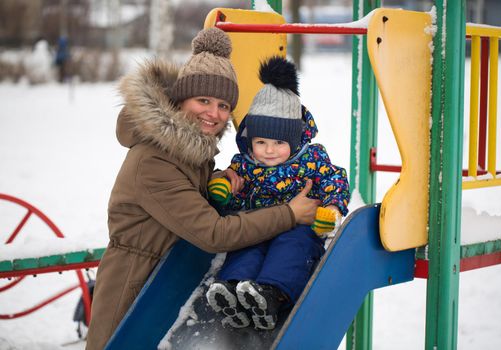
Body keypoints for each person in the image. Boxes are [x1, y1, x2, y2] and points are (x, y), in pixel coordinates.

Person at [85, 28, 319, 350]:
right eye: (204, 100)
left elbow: (188, 209)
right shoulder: (154, 160)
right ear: (181, 100)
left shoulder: (192, 153)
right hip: (133, 288)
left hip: (166, 281)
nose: (214, 114)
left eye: (224, 105)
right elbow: (213, 233)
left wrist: (219, 185)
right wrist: (289, 214)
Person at [205, 56, 350, 330]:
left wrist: (331, 209)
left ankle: (271, 295)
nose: (269, 150)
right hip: (258, 225)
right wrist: (223, 190)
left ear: (294, 141)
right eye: (261, 142)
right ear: (250, 140)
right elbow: (234, 201)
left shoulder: (311, 159)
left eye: (279, 142)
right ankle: (234, 291)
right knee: (245, 246)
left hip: (298, 229)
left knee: (291, 250)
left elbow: (334, 179)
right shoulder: (244, 165)